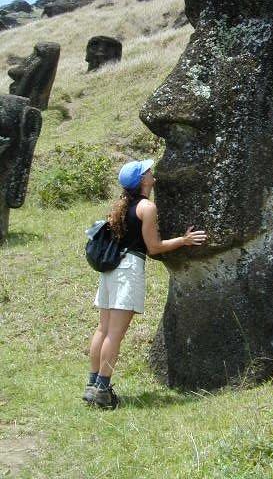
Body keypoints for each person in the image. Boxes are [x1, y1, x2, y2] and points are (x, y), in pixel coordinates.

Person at [82, 159, 207, 409]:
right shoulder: (147, 207)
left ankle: (93, 384)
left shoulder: (123, 205)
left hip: (111, 271)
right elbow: (154, 247)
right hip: (127, 270)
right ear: (142, 181)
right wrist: (184, 240)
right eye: (148, 172)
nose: (152, 173)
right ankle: (102, 389)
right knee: (114, 334)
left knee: (103, 330)